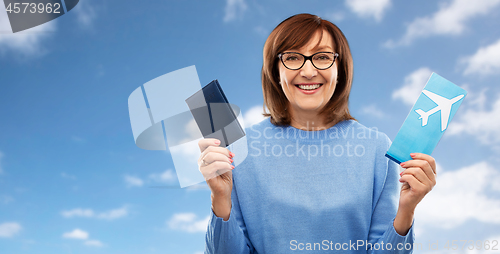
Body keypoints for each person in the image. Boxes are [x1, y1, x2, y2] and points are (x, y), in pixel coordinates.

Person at [198, 13, 436, 253]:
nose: (308, 71)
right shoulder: (238, 148)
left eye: (322, 57)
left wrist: (406, 211)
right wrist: (220, 199)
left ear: (340, 69)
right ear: (275, 71)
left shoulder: (377, 148)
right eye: (292, 57)